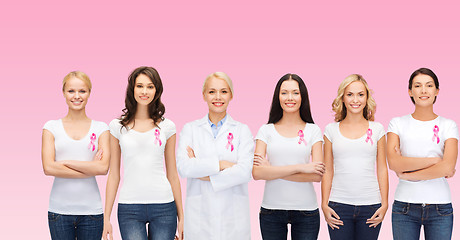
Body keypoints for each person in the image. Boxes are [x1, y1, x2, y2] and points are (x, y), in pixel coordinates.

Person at [103, 66, 184, 240]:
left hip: (164, 206)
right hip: (129, 208)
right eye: (140, 86)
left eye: (150, 86)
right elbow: (114, 175)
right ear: (132, 89)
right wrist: (106, 217)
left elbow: (173, 174)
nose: (144, 91)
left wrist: (182, 218)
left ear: (157, 90)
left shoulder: (167, 126)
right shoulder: (117, 126)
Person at [176, 72, 254, 239]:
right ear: (204, 95)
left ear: (231, 95)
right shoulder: (190, 129)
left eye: (224, 91)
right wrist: (222, 164)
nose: (218, 97)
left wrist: (201, 170)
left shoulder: (242, 130)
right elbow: (184, 168)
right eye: (212, 92)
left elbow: (245, 172)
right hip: (199, 219)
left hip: (233, 220)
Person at [387, 68, 459, 240]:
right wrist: (435, 161)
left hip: (440, 207)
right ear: (410, 91)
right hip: (404, 207)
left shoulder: (448, 125)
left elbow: (448, 166)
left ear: (437, 91)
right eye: (418, 86)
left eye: (429, 85)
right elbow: (394, 163)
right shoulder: (397, 123)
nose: (424, 90)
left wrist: (407, 174)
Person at [253, 73, 325, 240]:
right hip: (271, 210)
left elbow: (316, 175)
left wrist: (271, 170)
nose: (289, 97)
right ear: (277, 96)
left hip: (306, 211)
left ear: (302, 96)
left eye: (295, 92)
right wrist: (301, 167)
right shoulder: (266, 130)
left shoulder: (313, 130)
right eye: (284, 92)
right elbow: (257, 173)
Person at [42, 71, 110, 240]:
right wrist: (90, 167)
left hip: (92, 212)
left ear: (89, 93)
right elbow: (48, 168)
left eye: (82, 91)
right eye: (71, 91)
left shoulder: (101, 128)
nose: (77, 96)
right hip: (59, 212)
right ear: (64, 93)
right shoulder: (51, 127)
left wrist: (64, 163)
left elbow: (103, 168)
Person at [321, 74, 388, 239]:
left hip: (371, 206)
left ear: (366, 98)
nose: (355, 100)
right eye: (350, 94)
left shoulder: (378, 129)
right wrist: (324, 204)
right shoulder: (331, 130)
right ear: (342, 98)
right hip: (338, 206)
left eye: (360, 94)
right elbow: (327, 170)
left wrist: (385, 204)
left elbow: (382, 168)